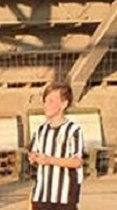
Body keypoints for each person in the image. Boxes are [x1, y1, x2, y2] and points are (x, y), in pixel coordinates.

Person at [28, 82, 85, 210]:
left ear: (64, 104)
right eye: (45, 101)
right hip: (41, 195)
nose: (46, 105)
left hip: (64, 197)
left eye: (51, 101)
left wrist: (50, 160)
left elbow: (77, 161)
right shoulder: (40, 130)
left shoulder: (73, 130)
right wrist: (34, 158)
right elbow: (33, 156)